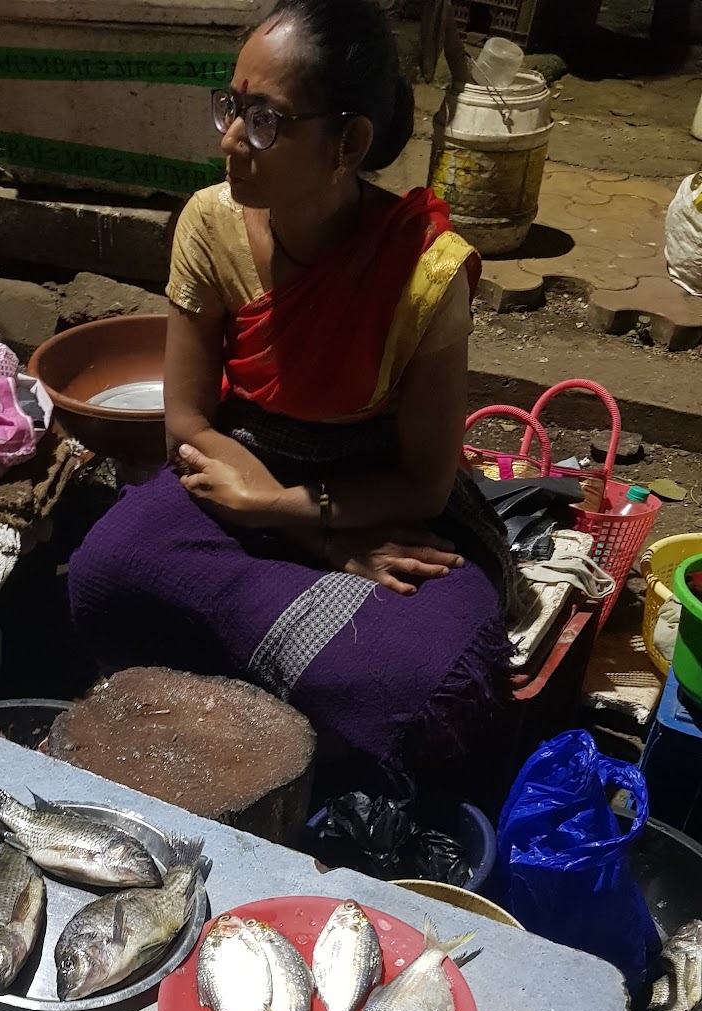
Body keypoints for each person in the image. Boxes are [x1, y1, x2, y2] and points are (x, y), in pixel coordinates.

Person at [68, 0, 520, 783]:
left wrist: (279, 511)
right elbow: (188, 423)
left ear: (348, 143)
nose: (230, 140)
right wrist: (317, 539)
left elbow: (423, 480)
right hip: (240, 463)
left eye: (265, 120)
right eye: (230, 108)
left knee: (423, 680)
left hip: (377, 490)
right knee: (106, 570)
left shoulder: (427, 272)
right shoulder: (209, 225)